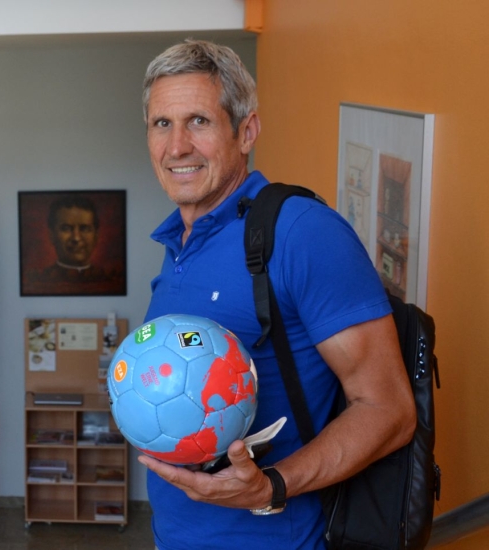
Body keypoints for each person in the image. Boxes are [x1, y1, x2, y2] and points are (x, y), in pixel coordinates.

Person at [137, 40, 415, 549]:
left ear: (247, 132)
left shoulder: (302, 235)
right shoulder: (177, 242)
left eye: (198, 121)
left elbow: (389, 409)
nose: (176, 146)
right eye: (162, 124)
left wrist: (273, 484)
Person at [23, 196, 124, 295]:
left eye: (84, 229)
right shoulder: (37, 283)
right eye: (66, 228)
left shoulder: (112, 282)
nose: (76, 238)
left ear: (96, 235)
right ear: (52, 235)